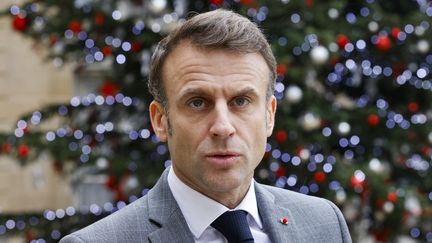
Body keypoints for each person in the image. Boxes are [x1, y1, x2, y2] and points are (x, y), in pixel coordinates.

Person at [60, 9, 352, 243]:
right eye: (198, 102)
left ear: (269, 115)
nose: (223, 127)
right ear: (161, 121)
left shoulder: (325, 224)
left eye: (241, 101)